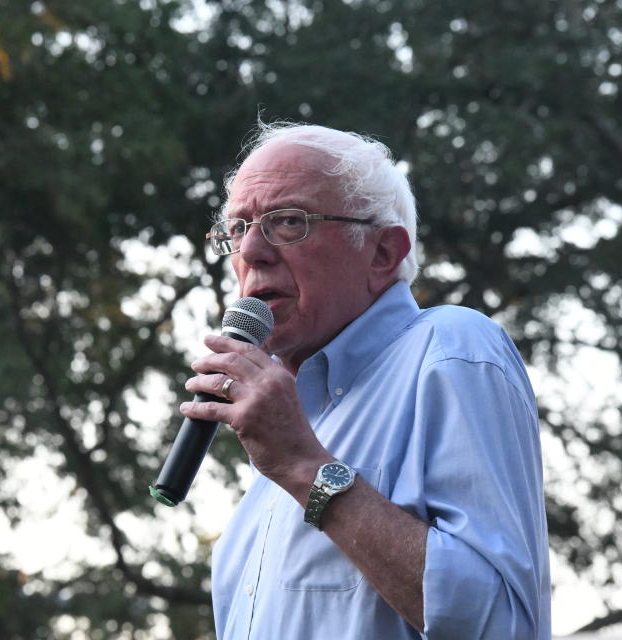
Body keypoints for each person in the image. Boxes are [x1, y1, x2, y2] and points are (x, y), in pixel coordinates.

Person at [180, 122, 551, 639]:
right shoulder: (270, 467)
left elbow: (500, 625)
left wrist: (303, 467)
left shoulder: (451, 350)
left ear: (382, 253)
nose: (251, 252)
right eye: (238, 229)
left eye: (288, 221)